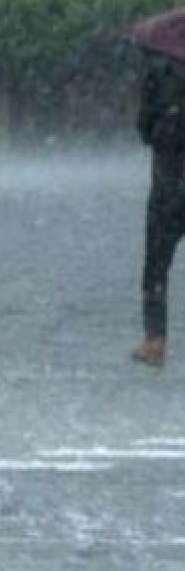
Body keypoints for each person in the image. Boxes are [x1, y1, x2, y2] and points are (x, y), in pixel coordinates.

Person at [133, 51, 185, 367]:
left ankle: (155, 340)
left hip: (168, 187)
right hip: (169, 183)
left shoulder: (158, 72)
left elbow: (144, 128)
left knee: (156, 264)